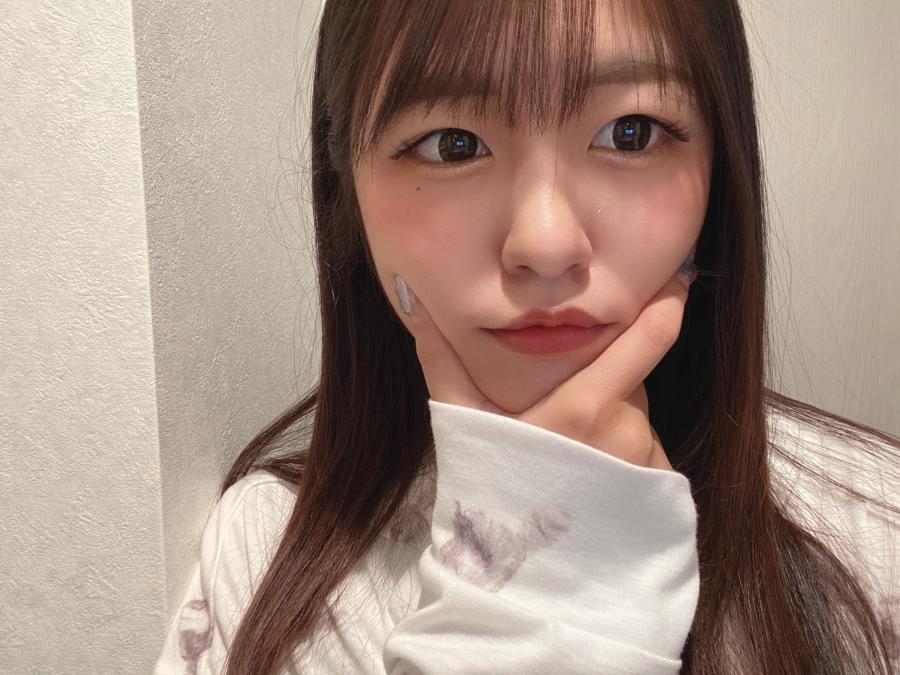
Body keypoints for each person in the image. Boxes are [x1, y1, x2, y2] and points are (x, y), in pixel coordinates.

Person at [155, 0, 900, 673]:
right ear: (345, 180)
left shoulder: (877, 524)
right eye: (452, 144)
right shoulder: (258, 554)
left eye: (631, 133)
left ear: (720, 166)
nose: (545, 244)